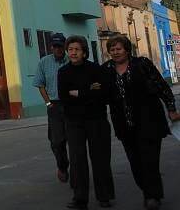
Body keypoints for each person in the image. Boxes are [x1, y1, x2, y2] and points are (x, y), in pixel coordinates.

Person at [103, 35, 180, 210]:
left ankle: (152, 196)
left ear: (127, 50)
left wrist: (171, 109)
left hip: (149, 121)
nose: (115, 52)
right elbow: (101, 93)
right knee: (135, 163)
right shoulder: (106, 69)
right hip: (124, 125)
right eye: (112, 50)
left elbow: (161, 86)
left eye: (118, 48)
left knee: (149, 161)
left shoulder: (142, 64)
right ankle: (149, 190)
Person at [58, 35, 115, 209]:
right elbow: (64, 97)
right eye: (70, 49)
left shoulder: (95, 69)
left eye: (77, 49)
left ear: (84, 52)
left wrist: (79, 93)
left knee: (100, 158)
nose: (73, 53)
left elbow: (102, 94)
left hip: (96, 119)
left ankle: (104, 196)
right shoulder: (63, 72)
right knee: (77, 160)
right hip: (74, 122)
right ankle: (80, 198)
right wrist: (89, 91)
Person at [33, 32, 70, 183]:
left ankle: (77, 176)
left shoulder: (71, 60)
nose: (58, 49)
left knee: (74, 140)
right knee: (56, 141)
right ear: (51, 47)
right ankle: (62, 165)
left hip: (71, 105)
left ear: (65, 47)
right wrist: (48, 103)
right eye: (55, 46)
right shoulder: (44, 62)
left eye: (60, 46)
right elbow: (40, 84)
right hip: (54, 105)